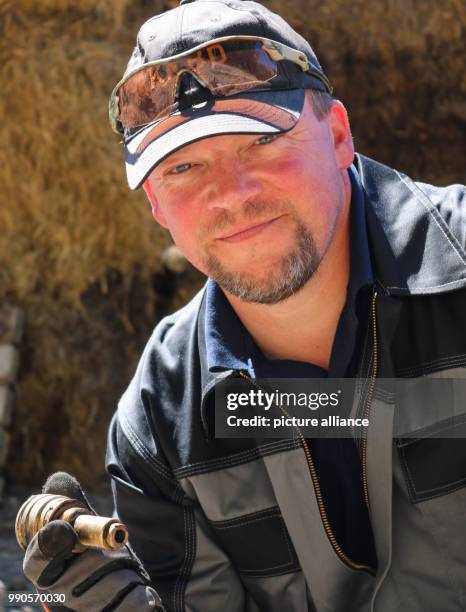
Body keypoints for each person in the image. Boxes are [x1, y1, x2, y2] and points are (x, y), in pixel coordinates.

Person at [23, 0, 466, 611]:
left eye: (260, 140)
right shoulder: (159, 426)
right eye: (183, 167)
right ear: (156, 206)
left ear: (338, 135)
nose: (231, 195)